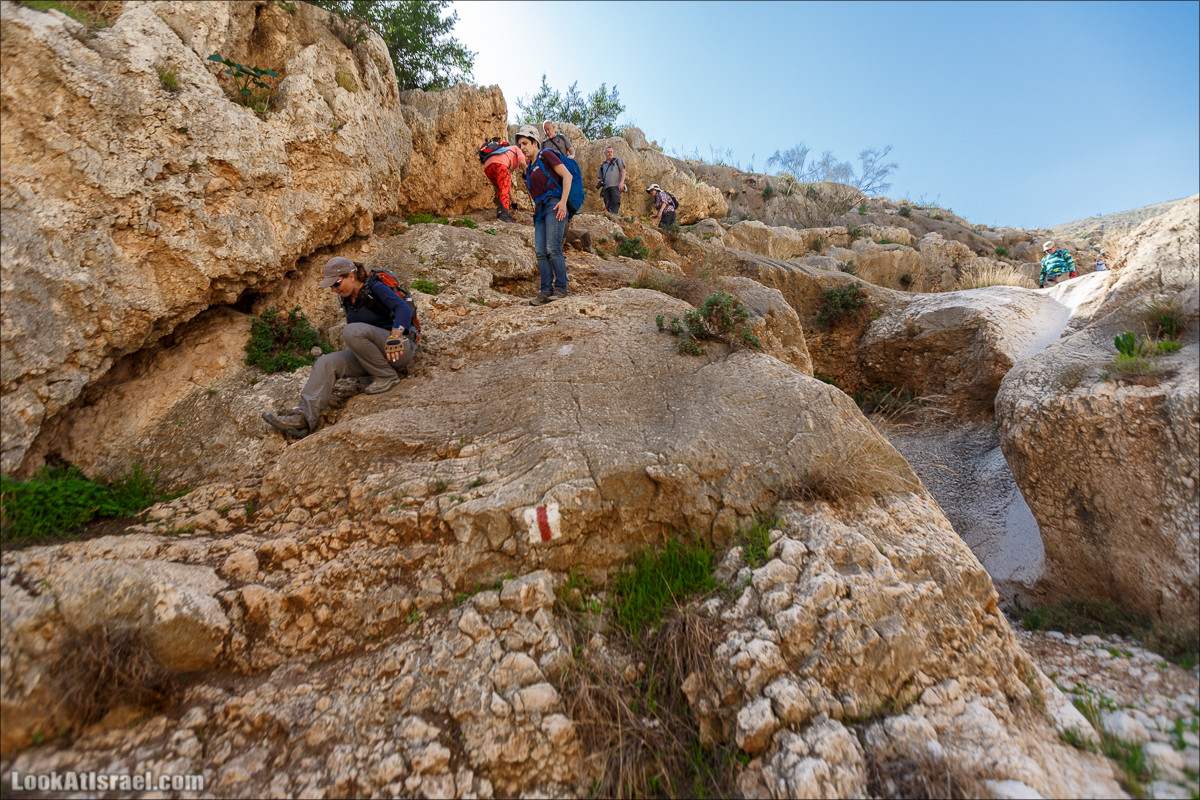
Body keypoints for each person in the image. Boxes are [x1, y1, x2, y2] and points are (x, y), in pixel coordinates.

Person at [262, 257, 417, 438]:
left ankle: (387, 377)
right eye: (331, 287)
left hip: (400, 348)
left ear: (351, 276)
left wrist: (396, 334)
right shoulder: (347, 300)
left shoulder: (375, 287)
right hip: (376, 356)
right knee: (326, 362)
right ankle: (303, 420)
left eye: (336, 283)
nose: (334, 289)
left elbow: (402, 309)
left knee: (351, 331)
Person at [516, 124, 572, 305]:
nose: (522, 148)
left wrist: (563, 203)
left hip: (554, 204)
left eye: (525, 143)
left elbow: (567, 176)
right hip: (540, 210)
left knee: (552, 248)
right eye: (520, 145)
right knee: (540, 252)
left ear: (534, 142)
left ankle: (561, 289)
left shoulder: (546, 154)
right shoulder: (530, 166)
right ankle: (546, 291)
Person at [481, 139, 525, 223]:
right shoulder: (517, 149)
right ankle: (504, 215)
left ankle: (500, 211)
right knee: (504, 189)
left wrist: (514, 204)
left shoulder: (506, 153)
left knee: (502, 189)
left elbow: (507, 187)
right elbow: (523, 163)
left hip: (487, 166)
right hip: (500, 164)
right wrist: (526, 174)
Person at [596, 146, 626, 214]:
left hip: (615, 186)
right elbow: (600, 177)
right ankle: (611, 220)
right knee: (608, 205)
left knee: (615, 203)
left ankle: (614, 218)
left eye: (611, 152)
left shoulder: (617, 160)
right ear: (605, 153)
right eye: (608, 152)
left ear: (613, 153)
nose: (610, 153)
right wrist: (599, 181)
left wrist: (621, 182)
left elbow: (623, 171)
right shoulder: (602, 165)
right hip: (606, 188)